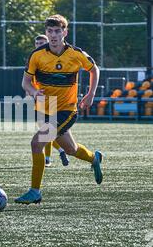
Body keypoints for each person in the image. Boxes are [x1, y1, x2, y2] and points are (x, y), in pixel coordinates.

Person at [15, 14, 103, 205]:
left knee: (36, 143)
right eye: (50, 31)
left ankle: (35, 191)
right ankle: (94, 158)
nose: (53, 35)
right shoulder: (36, 55)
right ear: (46, 33)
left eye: (57, 31)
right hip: (46, 109)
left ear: (65, 32)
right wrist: (34, 91)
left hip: (66, 110)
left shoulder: (75, 53)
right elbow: (25, 82)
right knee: (71, 149)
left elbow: (94, 69)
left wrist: (90, 94)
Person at [34, 34, 69, 167]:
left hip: (53, 99)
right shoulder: (35, 57)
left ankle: (49, 157)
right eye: (37, 43)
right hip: (40, 100)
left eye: (42, 43)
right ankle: (59, 151)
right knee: (46, 131)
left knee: (46, 130)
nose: (39, 45)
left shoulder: (52, 58)